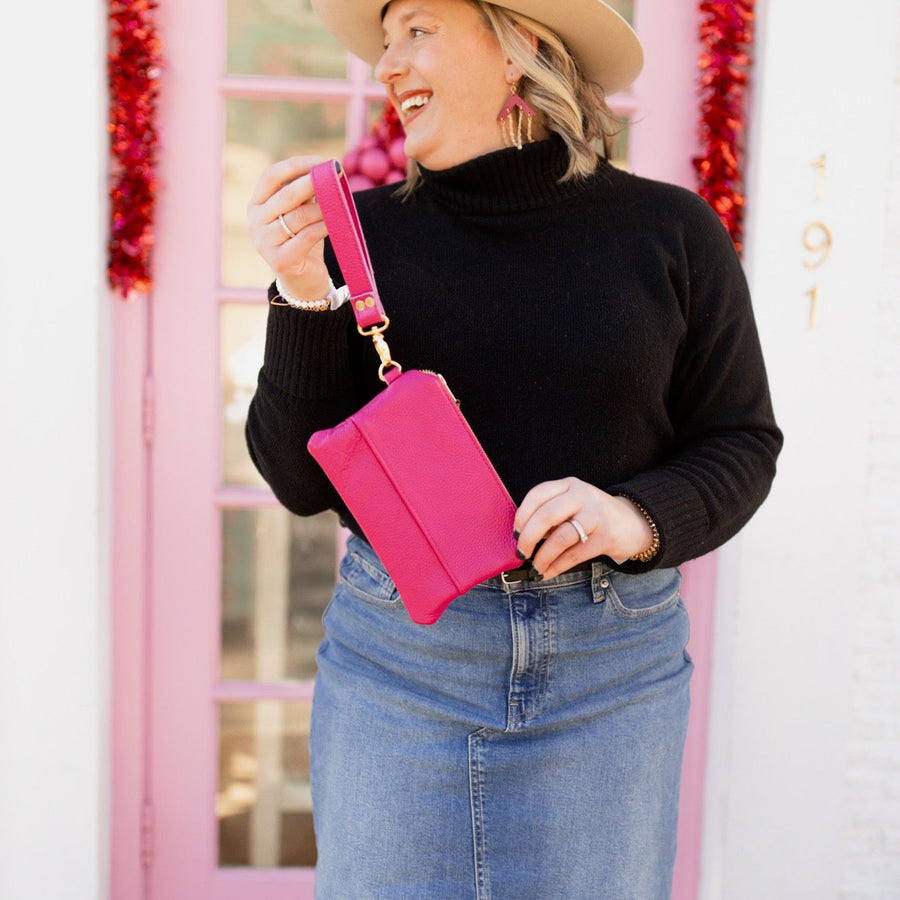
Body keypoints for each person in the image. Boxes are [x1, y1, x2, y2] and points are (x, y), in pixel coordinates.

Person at [245, 0, 782, 896]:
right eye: (384, 43)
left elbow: (741, 440)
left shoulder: (673, 233)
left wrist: (633, 516)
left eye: (417, 30)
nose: (389, 65)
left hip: (612, 677)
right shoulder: (356, 240)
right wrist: (303, 290)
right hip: (400, 670)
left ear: (521, 47)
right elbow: (297, 480)